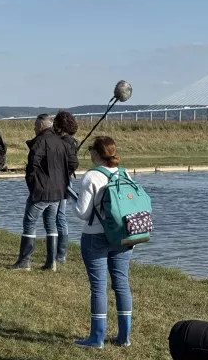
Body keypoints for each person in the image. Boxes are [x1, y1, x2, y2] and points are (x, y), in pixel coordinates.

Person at [73, 136, 133, 349]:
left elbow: (82, 213)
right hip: (123, 235)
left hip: (95, 236)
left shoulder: (91, 176)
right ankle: (124, 337)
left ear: (97, 154)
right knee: (121, 284)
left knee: (99, 288)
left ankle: (96, 338)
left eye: (91, 151)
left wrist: (74, 199)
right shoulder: (124, 173)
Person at [10, 114, 77, 271]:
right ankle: (51, 262)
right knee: (51, 224)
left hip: (41, 190)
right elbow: (73, 163)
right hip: (58, 191)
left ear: (41, 126)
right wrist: (62, 176)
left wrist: (33, 184)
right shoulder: (62, 142)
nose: (33, 128)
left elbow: (32, 165)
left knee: (30, 223)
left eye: (35, 125)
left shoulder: (40, 142)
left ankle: (24, 261)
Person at [53, 110, 80, 264]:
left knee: (59, 217)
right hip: (62, 180)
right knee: (58, 216)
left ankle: (61, 254)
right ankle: (58, 252)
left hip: (62, 181)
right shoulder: (69, 140)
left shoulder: (67, 141)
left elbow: (72, 164)